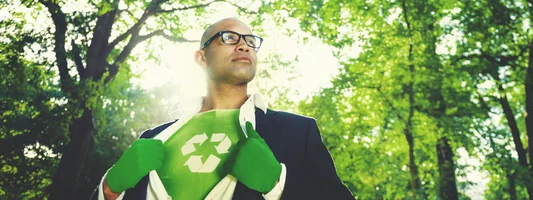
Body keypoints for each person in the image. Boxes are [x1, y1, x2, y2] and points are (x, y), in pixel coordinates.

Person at [92, 17, 354, 200]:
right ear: (201, 57)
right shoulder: (153, 138)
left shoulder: (298, 131)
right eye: (229, 37)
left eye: (251, 41)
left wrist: (278, 185)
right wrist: (109, 190)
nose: (244, 45)